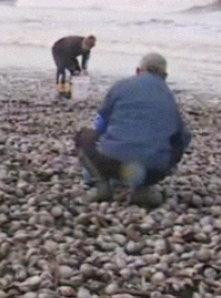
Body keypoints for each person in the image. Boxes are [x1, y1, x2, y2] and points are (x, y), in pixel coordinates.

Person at [75, 52, 191, 207]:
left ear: (138, 71)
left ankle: (101, 184)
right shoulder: (169, 96)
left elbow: (101, 124)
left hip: (113, 164)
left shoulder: (121, 86)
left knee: (84, 136)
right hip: (152, 172)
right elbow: (181, 138)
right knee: (178, 139)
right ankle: (142, 188)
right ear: (165, 76)